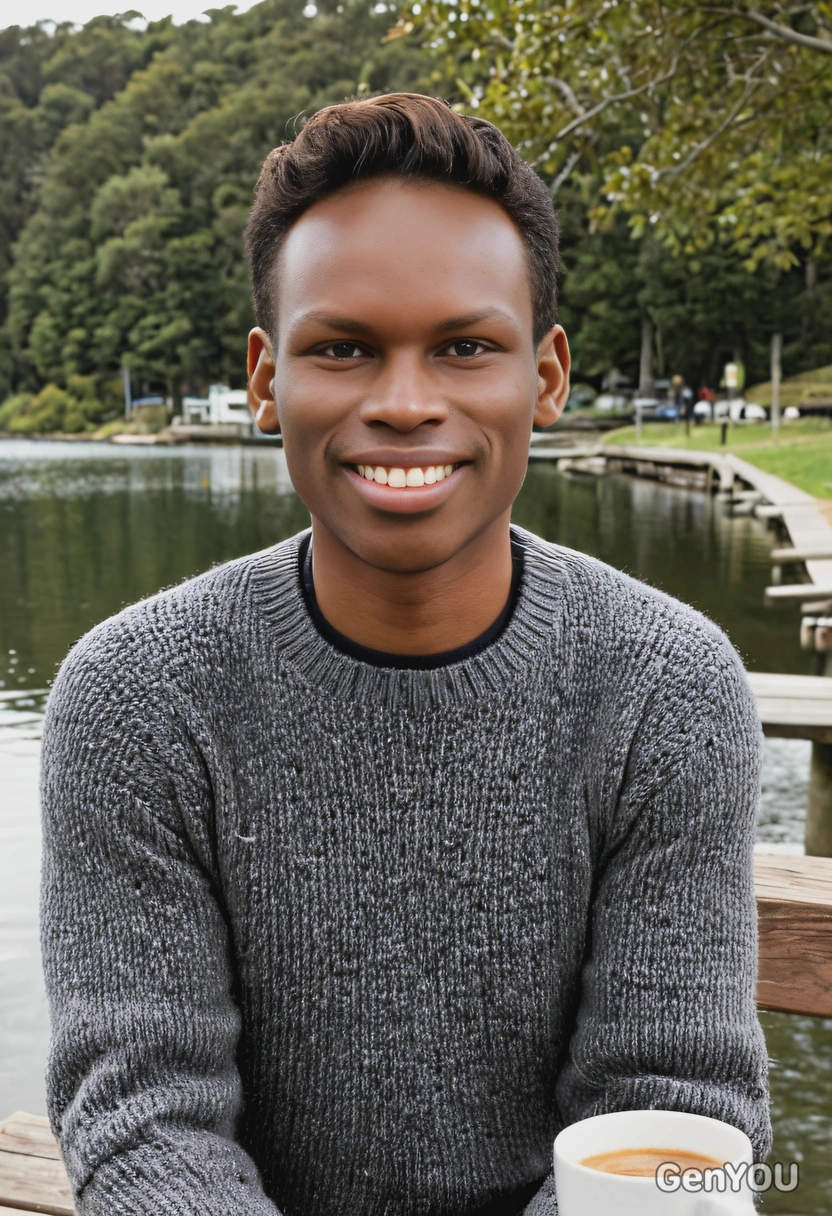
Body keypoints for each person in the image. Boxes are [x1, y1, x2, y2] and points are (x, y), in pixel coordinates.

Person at [40, 94, 770, 1216]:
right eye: (343, 348)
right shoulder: (136, 698)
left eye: (466, 347)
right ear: (266, 377)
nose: (404, 402)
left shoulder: (667, 687)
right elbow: (147, 1117)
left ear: (546, 376)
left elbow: (673, 1109)